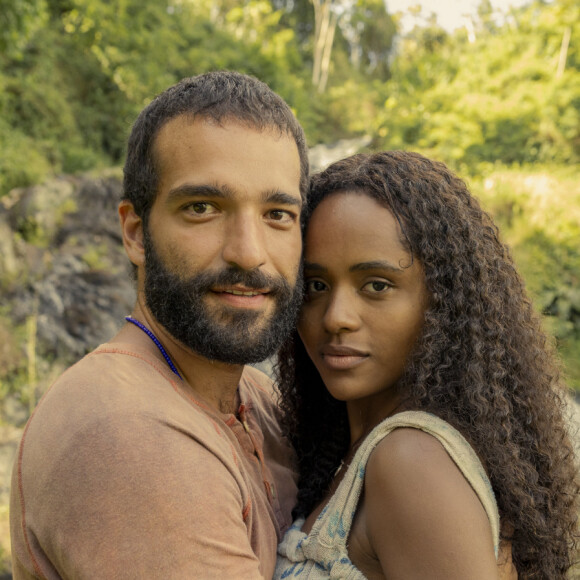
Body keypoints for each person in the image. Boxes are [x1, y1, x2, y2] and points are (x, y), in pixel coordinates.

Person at [10, 71, 309, 579]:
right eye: (202, 208)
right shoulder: (127, 432)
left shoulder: (255, 395)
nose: (250, 252)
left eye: (278, 214)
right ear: (135, 232)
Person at [275, 151, 579, 579]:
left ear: (443, 303)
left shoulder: (411, 460)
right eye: (316, 285)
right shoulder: (343, 448)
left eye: (377, 285)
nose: (335, 316)